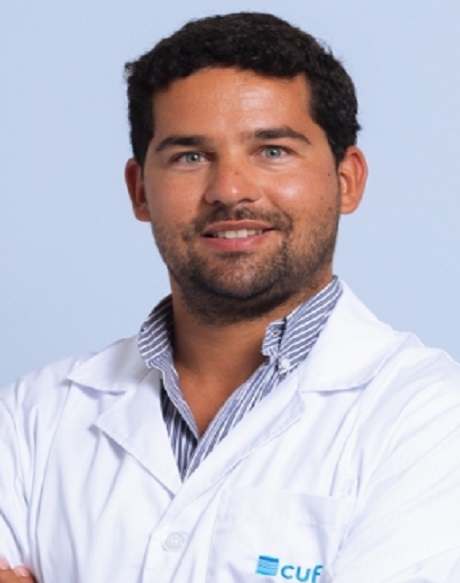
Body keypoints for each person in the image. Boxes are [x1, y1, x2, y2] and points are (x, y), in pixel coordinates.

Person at [1, 11, 460, 583]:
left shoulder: (429, 420)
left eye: (273, 150)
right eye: (190, 157)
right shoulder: (33, 416)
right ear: (139, 191)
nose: (230, 191)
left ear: (347, 180)